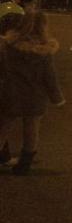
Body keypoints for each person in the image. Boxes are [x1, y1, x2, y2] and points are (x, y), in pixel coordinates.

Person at [0, 11, 65, 175]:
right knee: (31, 128)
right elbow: (49, 77)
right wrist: (57, 98)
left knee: (4, 127)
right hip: (35, 96)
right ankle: (24, 164)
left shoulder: (8, 46)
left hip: (11, 92)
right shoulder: (43, 51)